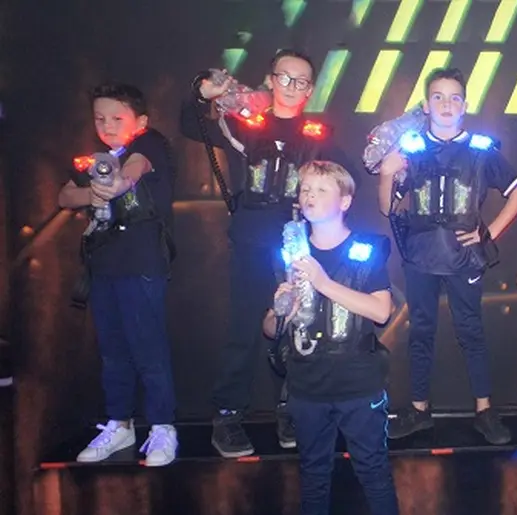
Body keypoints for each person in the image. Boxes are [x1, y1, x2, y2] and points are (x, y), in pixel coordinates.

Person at [180, 49, 357, 457]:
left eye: (301, 81)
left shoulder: (318, 136)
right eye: (284, 77)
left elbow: (349, 181)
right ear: (270, 79)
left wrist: (324, 212)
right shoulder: (247, 124)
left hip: (295, 245)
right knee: (244, 327)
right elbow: (193, 125)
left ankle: (291, 410)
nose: (291, 86)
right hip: (251, 239)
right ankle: (228, 415)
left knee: (297, 327)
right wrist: (205, 94)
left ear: (310, 89)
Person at [376, 67, 517, 444]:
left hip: (463, 257)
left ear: (465, 105)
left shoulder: (481, 150)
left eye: (454, 97)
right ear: (426, 105)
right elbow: (387, 208)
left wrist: (487, 232)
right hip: (420, 256)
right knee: (421, 333)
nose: (446, 104)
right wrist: (387, 174)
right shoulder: (410, 149)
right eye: (438, 97)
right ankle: (419, 411)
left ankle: (484, 411)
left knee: (471, 331)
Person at [262, 161, 398, 515]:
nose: (310, 195)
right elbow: (269, 328)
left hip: (358, 384)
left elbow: (381, 311)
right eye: (305, 188)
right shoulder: (290, 253)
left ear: (345, 201)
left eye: (322, 189)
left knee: (373, 472)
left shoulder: (365, 248)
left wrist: (323, 283)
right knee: (313, 474)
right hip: (307, 385)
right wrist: (281, 311)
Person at [59, 83, 178, 466]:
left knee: (149, 351)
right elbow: (64, 195)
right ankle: (119, 423)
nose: (107, 126)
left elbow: (130, 173)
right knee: (113, 352)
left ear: (140, 121)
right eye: (100, 119)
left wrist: (114, 185)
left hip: (142, 265)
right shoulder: (98, 158)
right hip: (103, 266)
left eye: (116, 118)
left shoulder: (149, 144)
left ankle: (162, 427)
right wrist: (91, 194)